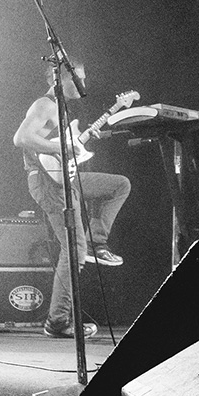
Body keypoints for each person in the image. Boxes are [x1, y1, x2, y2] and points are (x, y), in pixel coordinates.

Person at [13, 62, 130, 339]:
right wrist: (62, 147)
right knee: (73, 251)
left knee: (119, 185)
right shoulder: (44, 104)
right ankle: (57, 322)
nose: (84, 85)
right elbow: (21, 138)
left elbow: (63, 144)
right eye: (79, 79)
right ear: (63, 78)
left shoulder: (62, 111)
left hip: (67, 179)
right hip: (48, 183)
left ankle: (96, 241)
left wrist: (75, 143)